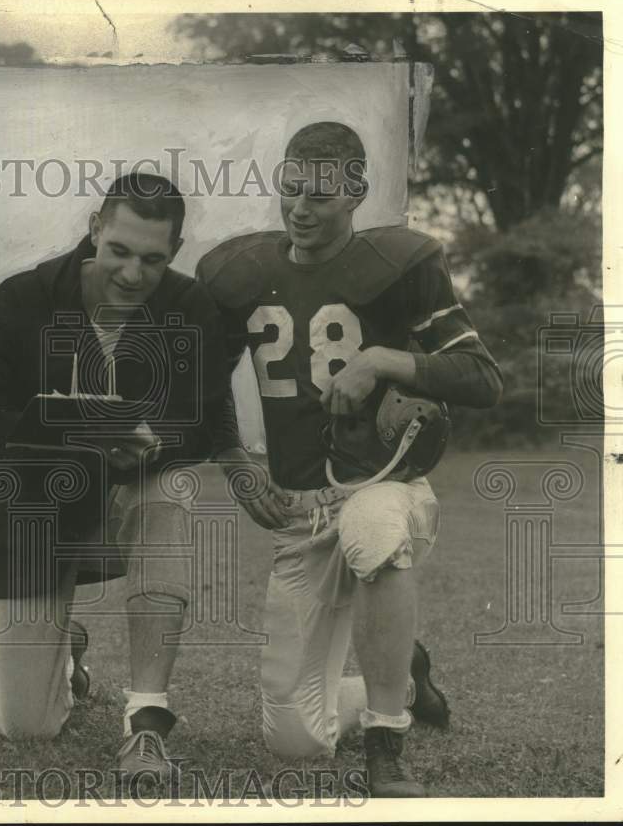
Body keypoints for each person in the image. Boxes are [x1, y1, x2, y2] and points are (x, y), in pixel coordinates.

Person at [198, 122, 503, 797]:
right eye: (291, 189)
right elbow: (205, 384)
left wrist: (384, 360)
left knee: (373, 529)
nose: (300, 208)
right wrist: (233, 459)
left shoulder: (402, 263)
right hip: (300, 509)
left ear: (357, 192)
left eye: (321, 195)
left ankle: (386, 742)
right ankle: (403, 670)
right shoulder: (240, 271)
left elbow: (483, 377)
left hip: (384, 484)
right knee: (295, 739)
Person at [0, 172, 229, 785]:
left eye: (152, 259)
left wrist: (155, 442)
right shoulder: (20, 302)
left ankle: (146, 719)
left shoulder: (188, 307)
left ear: (175, 251)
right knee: (26, 726)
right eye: (120, 251)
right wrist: (64, 445)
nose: (132, 273)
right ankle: (66, 655)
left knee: (169, 490)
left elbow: (205, 421)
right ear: (95, 228)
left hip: (127, 501)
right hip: (39, 508)